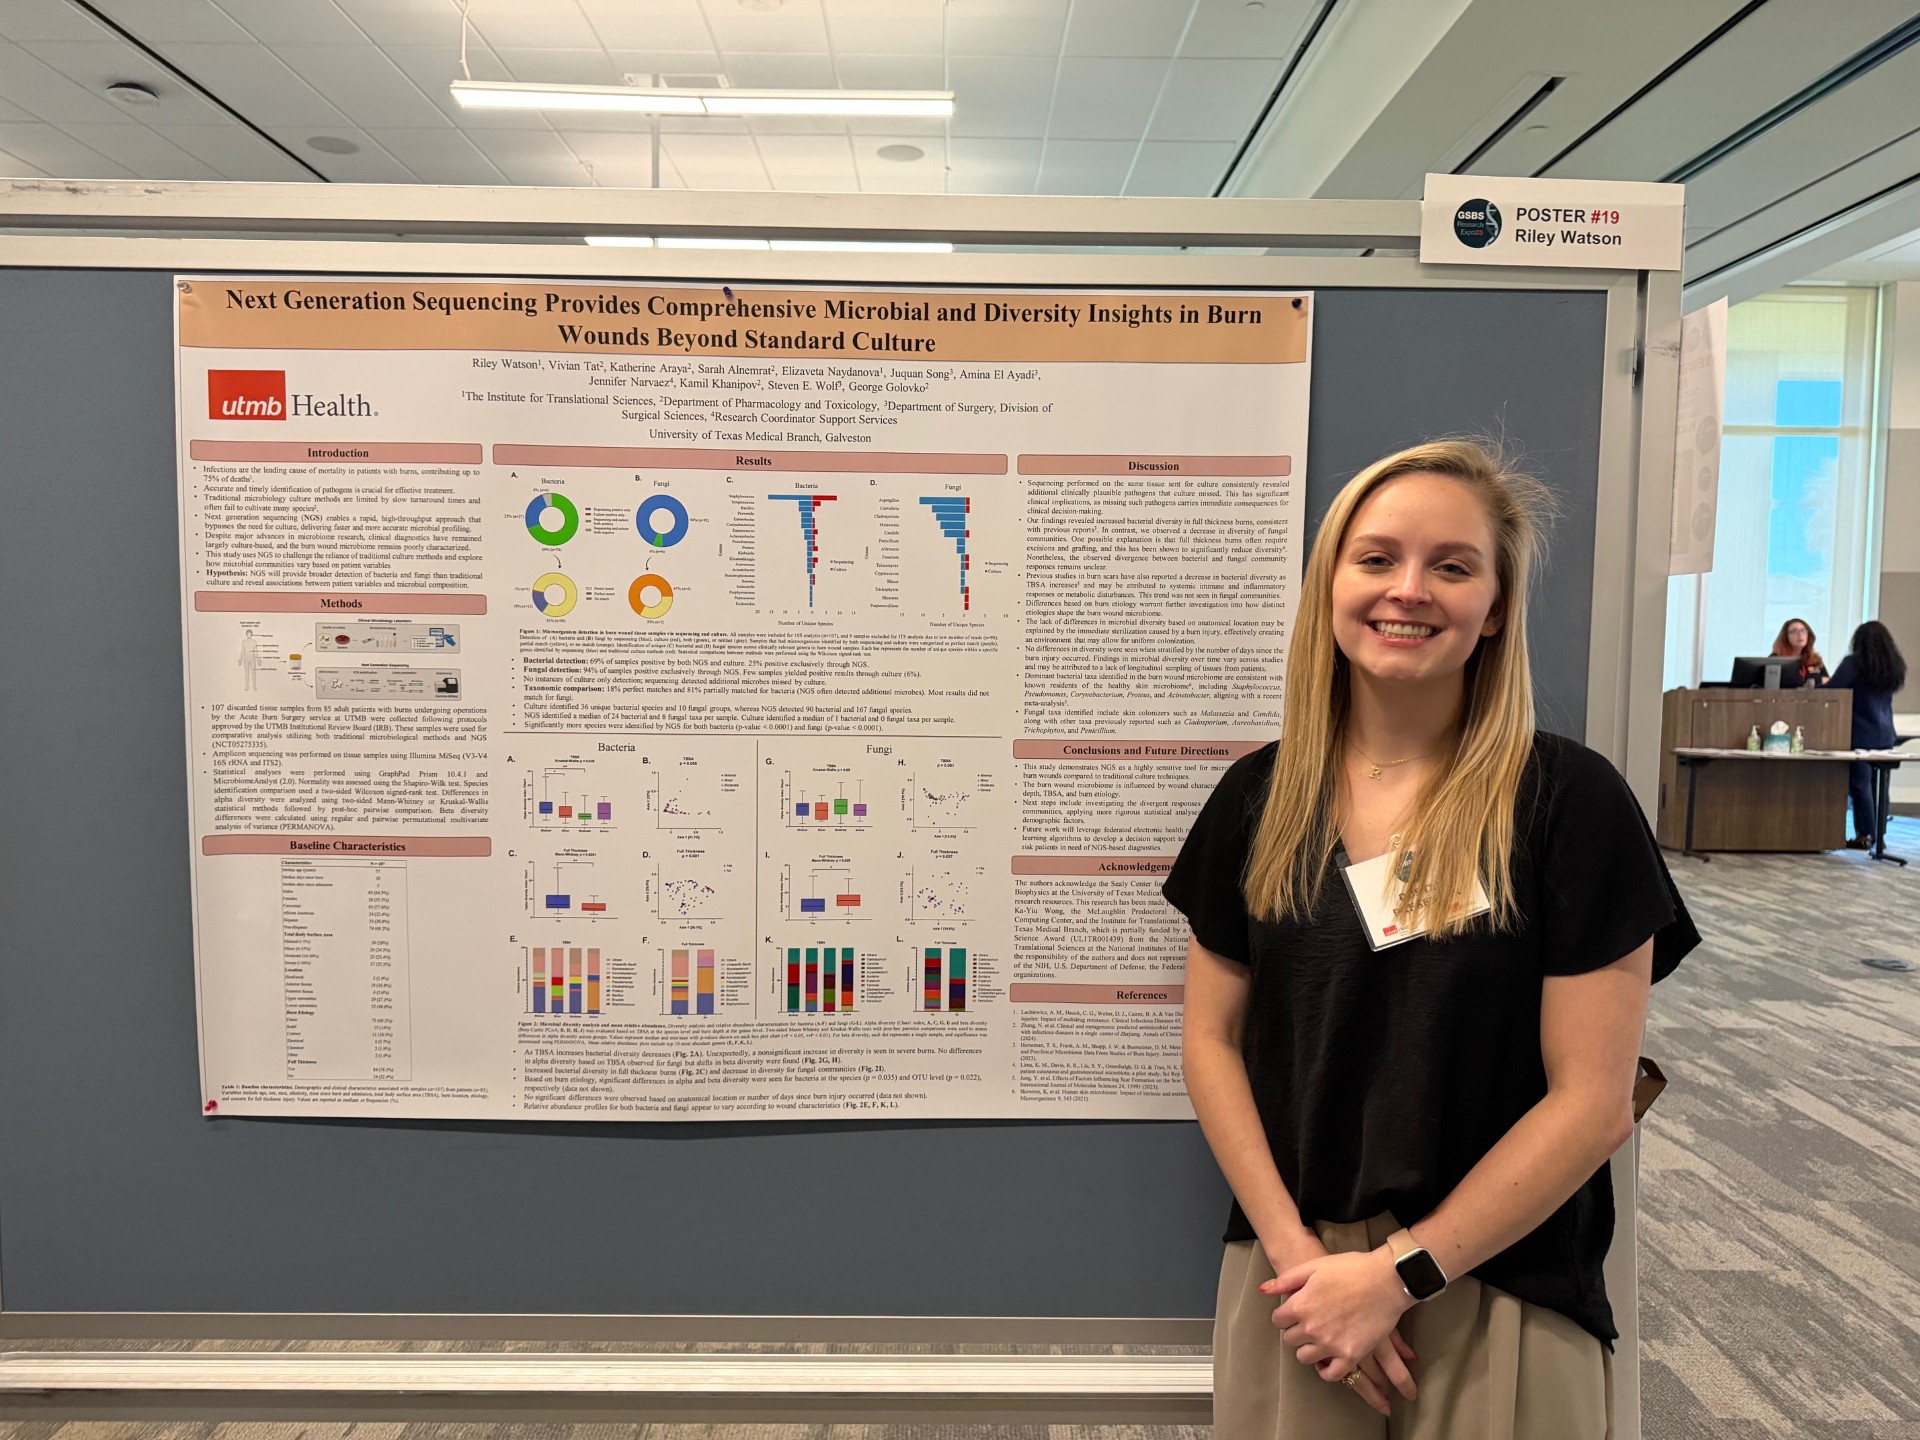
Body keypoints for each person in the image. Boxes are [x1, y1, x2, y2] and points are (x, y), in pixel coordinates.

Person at [1165, 439, 1699, 1438]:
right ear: (1331, 584)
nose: (1408, 590)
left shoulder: (1570, 804)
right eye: (1376, 558)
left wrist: (1400, 1275)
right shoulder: (1256, 798)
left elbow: (1593, 1103)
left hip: (1498, 1280)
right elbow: (1210, 1041)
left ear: (1494, 608)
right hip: (1300, 1286)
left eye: (1452, 566)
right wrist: (1303, 1262)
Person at [1819, 620, 1907, 849]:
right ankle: (1878, 834)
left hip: (1859, 732)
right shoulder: (1894, 665)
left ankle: (1866, 834)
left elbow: (1833, 690)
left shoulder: (1854, 663)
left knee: (1860, 785)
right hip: (1884, 733)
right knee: (1880, 786)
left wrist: (1815, 686)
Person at [1769, 617, 1827, 685]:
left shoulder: (1815, 659)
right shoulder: (1776, 659)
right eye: (1794, 631)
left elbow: (1827, 682)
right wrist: (1819, 680)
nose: (1800, 634)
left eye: (1803, 631)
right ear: (1786, 637)